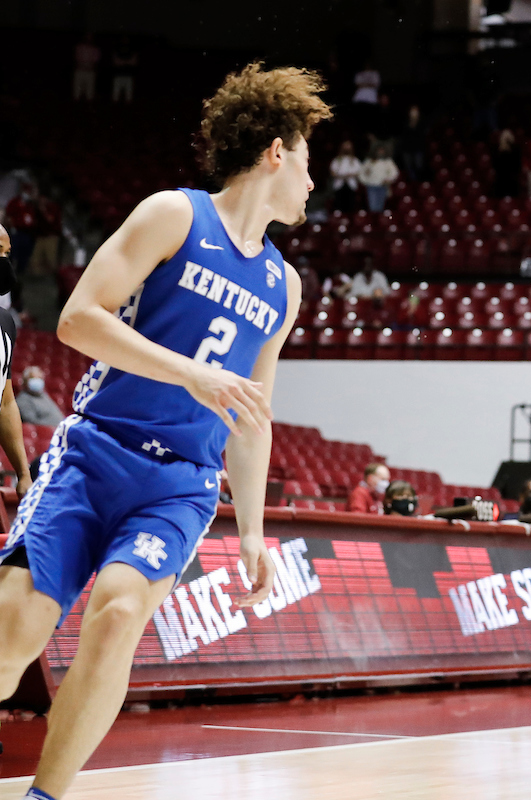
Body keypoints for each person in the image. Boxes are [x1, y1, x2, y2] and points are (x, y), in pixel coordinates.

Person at [0, 62, 316, 800]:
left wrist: (252, 532)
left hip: (177, 486)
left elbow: (251, 417)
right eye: (307, 161)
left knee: (118, 614)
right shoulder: (174, 215)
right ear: (275, 152)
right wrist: (191, 374)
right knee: (13, 637)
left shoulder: (284, 286)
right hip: (93, 454)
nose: (311, 182)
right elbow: (78, 319)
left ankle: (45, 797)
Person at [0, 225, 32, 500]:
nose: (4, 262)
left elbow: (6, 402)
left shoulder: (5, 322)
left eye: (7, 254)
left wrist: (23, 473)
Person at [359, 143, 399, 214]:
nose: (380, 152)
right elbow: (361, 173)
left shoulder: (388, 162)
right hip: (371, 186)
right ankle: (373, 218)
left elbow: (394, 173)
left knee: (381, 207)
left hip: (383, 186)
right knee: (373, 207)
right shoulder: (369, 161)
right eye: (379, 150)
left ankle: (380, 218)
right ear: (375, 151)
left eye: (382, 150)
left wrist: (388, 179)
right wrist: (365, 181)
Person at [329, 141, 362, 213]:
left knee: (351, 206)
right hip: (339, 185)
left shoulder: (355, 160)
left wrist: (349, 175)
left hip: (351, 185)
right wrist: (341, 176)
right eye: (345, 146)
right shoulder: (336, 160)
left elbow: (359, 172)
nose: (347, 148)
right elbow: (332, 172)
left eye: (348, 147)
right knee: (338, 206)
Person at [397, 105, 426, 181]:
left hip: (418, 149)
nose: (414, 113)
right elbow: (402, 135)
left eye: (415, 112)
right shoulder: (405, 122)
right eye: (412, 112)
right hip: (407, 149)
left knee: (419, 166)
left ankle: (418, 181)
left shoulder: (422, 122)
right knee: (408, 167)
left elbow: (422, 135)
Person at [492, 129, 520, 198]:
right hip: (500, 178)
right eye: (505, 136)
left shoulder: (515, 150)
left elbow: (517, 165)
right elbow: (495, 164)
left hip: (512, 178)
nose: (507, 138)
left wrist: (510, 146)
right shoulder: (497, 150)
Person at [73, 33, 100, 102]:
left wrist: (92, 68)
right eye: (87, 36)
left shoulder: (95, 49)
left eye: (90, 37)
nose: (88, 38)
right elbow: (76, 58)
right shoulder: (79, 47)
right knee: (77, 89)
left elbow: (96, 61)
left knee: (90, 89)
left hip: (90, 71)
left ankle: (89, 104)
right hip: (80, 70)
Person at [111, 37, 138, 104]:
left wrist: (122, 62)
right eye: (124, 39)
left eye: (126, 39)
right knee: (115, 95)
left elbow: (134, 62)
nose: (125, 41)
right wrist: (127, 62)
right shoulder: (117, 50)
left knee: (129, 96)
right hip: (118, 75)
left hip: (128, 75)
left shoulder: (132, 50)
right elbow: (116, 62)